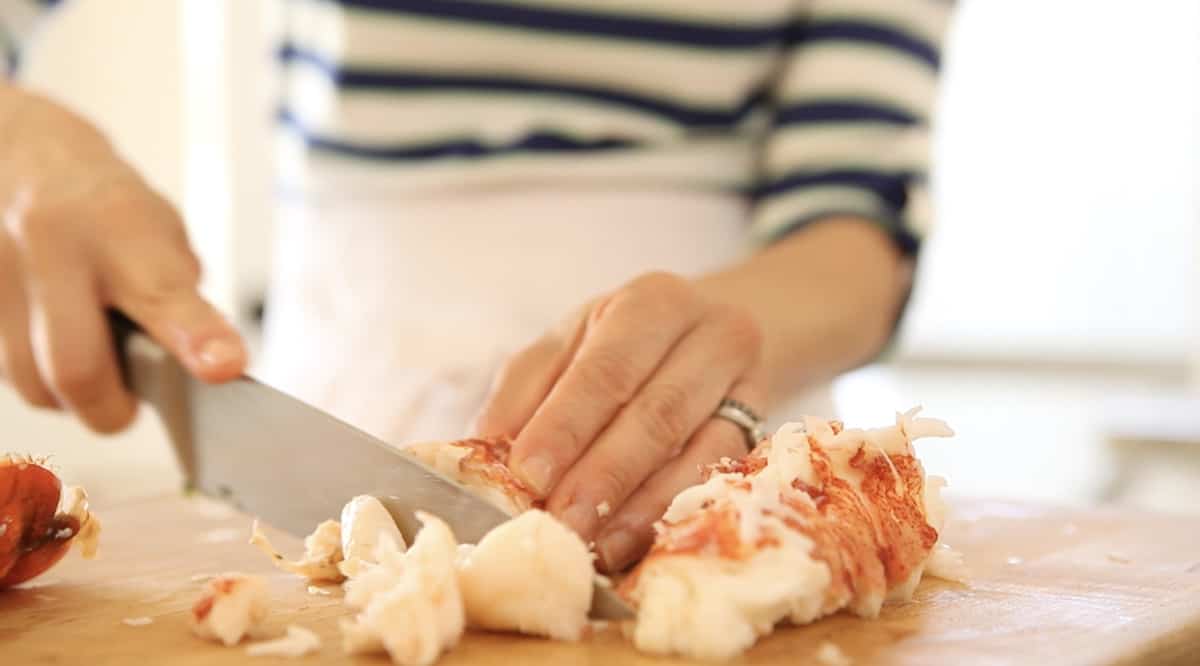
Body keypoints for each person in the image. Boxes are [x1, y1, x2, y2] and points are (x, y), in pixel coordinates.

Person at [0, 1, 952, 571]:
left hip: (715, 450)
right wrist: (20, 142)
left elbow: (856, 219)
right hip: (344, 388)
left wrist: (735, 336)